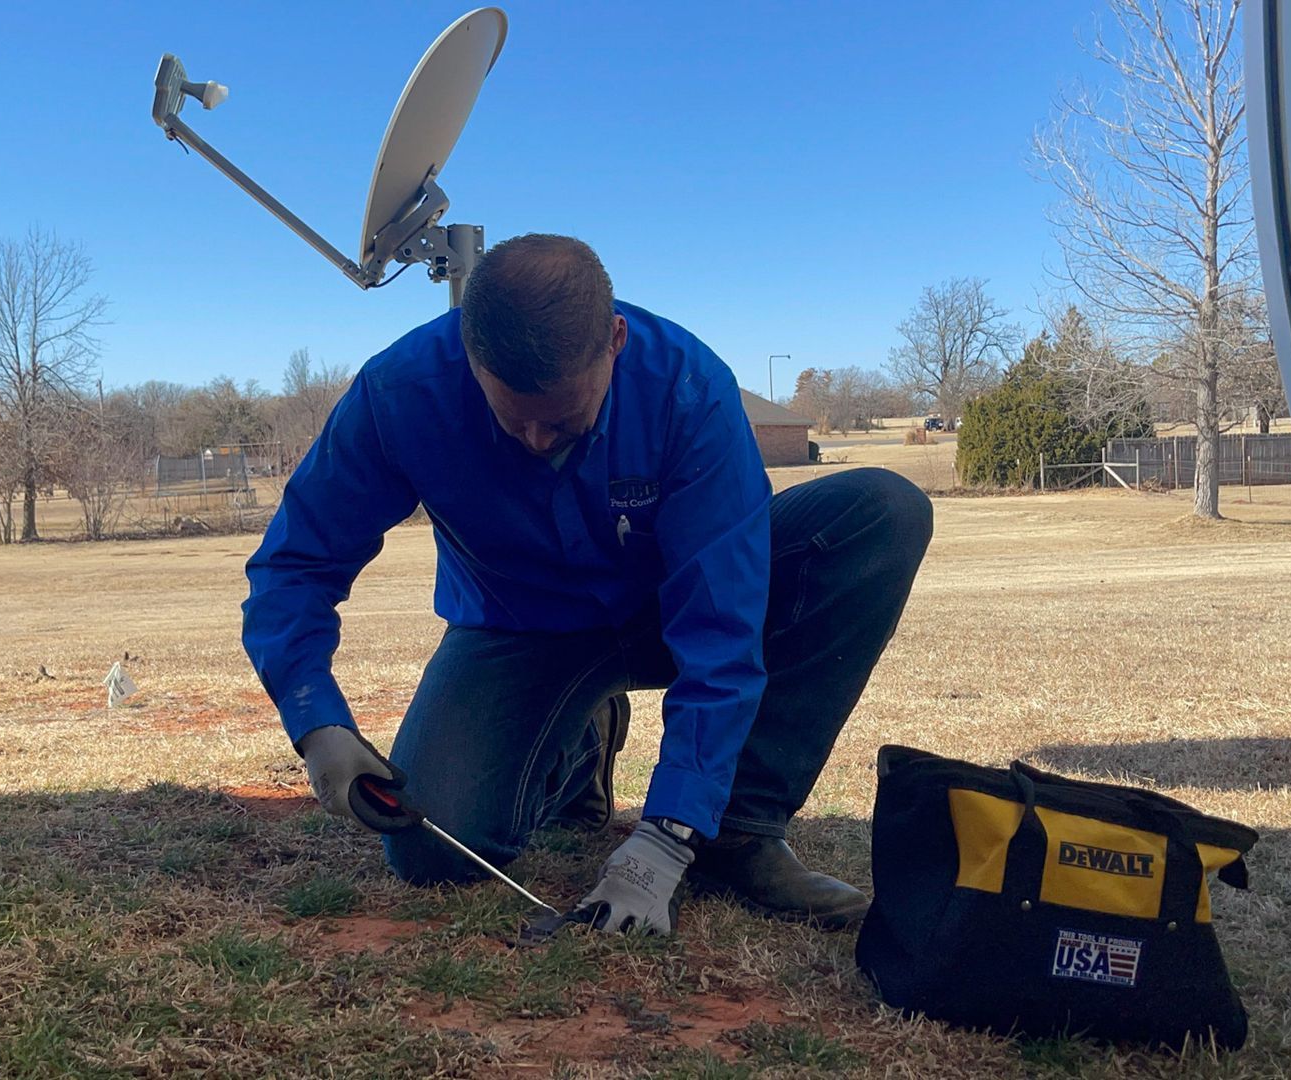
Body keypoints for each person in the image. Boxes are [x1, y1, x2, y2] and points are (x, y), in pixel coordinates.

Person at [243, 234, 931, 935]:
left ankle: (737, 827)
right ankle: (575, 749)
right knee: (429, 852)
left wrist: (668, 833)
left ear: (616, 341)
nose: (539, 441)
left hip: (673, 605)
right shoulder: (400, 394)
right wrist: (316, 720)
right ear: (469, 358)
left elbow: (721, 627)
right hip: (519, 628)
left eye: (566, 420)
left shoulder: (688, 391)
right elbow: (295, 564)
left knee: (881, 513)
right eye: (515, 420)